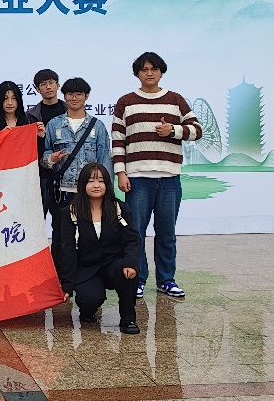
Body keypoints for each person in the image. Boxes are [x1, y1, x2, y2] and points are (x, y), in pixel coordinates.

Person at [112, 52, 202, 299]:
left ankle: (166, 280)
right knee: (135, 233)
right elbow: (118, 140)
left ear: (162, 71)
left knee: (166, 233)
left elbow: (197, 130)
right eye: (144, 69)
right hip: (137, 177)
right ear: (137, 73)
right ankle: (138, 279)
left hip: (169, 177)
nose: (149, 73)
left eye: (154, 69)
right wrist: (120, 172)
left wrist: (173, 130)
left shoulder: (175, 100)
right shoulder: (126, 102)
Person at [56, 162, 141, 335]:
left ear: (107, 184)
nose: (96, 185)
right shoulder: (70, 212)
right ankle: (87, 311)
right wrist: (67, 285)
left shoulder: (120, 208)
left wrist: (131, 263)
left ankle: (128, 319)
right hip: (86, 268)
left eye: (101, 181)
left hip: (113, 264)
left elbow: (132, 240)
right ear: (82, 184)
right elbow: (67, 250)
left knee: (128, 274)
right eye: (91, 181)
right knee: (90, 297)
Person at [41, 78, 112, 268]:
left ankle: (88, 275)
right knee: (61, 236)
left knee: (90, 236)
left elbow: (105, 159)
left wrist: (106, 191)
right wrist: (51, 159)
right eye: (70, 94)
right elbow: (44, 156)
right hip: (62, 192)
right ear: (64, 96)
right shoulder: (54, 125)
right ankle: (61, 277)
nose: (74, 98)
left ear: (86, 96)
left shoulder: (97, 126)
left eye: (79, 94)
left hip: (89, 193)